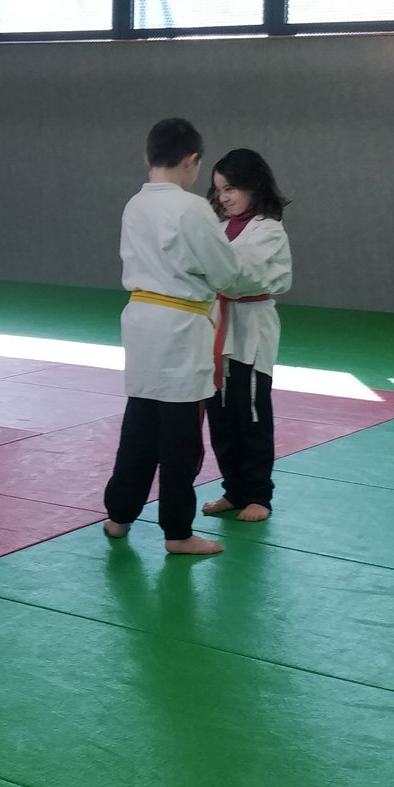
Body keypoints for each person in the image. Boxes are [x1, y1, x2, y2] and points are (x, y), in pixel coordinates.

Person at [101, 117, 268, 557]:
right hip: (181, 325)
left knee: (139, 422)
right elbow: (224, 272)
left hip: (140, 319)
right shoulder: (192, 208)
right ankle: (177, 532)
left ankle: (119, 515)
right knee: (180, 435)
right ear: (192, 160)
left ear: (148, 156)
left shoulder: (135, 204)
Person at [202, 149, 293, 524]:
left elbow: (238, 276)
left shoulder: (268, 229)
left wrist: (207, 268)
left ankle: (258, 495)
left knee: (251, 414)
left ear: (254, 186)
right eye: (219, 189)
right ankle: (234, 489)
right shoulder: (219, 227)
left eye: (231, 188)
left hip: (251, 330)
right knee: (220, 416)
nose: (224, 197)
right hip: (217, 329)